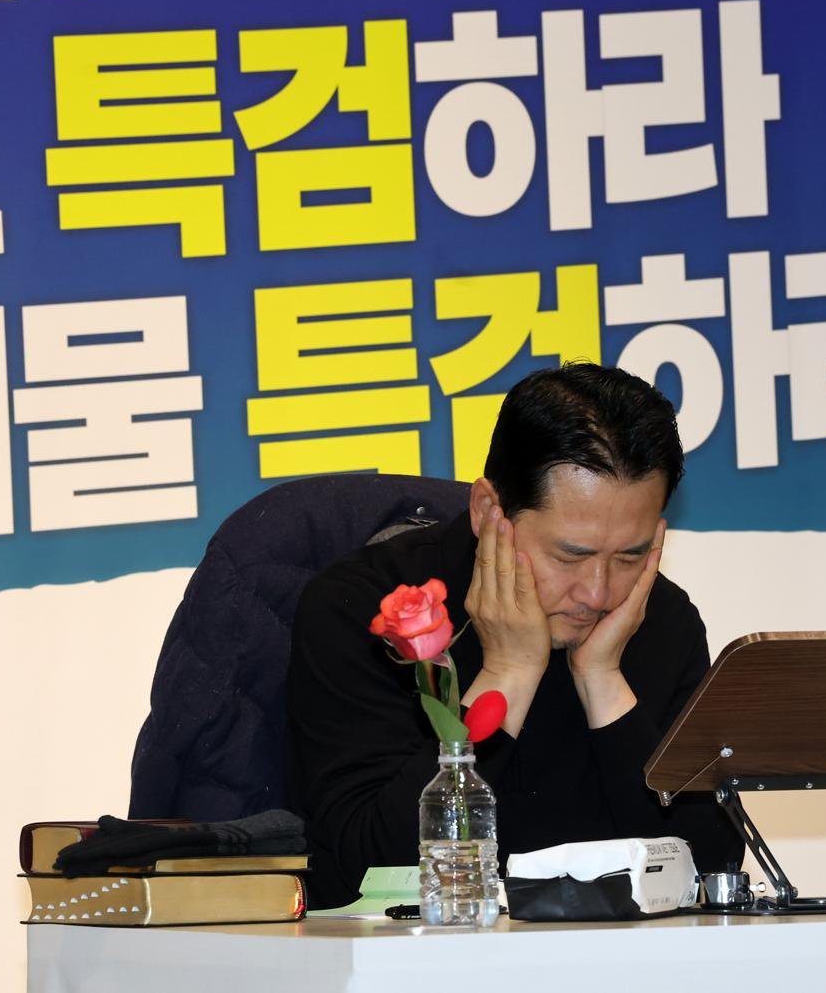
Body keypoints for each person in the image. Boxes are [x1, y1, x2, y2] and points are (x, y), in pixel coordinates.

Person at [286, 362, 743, 908]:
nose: (597, 593)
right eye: (569, 556)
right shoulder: (372, 609)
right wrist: (507, 673)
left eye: (630, 555)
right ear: (488, 512)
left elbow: (713, 872)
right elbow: (368, 866)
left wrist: (604, 680)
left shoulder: (661, 620)